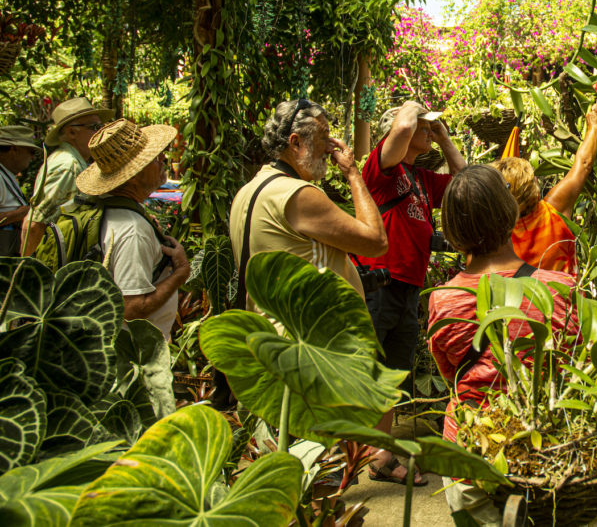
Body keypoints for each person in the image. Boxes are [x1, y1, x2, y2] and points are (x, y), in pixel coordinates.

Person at [428, 165, 577, 524]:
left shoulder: (443, 299)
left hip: (469, 452)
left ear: (451, 232)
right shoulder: (560, 288)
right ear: (512, 212)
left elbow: (451, 375)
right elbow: (571, 367)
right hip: (544, 451)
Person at [355, 100, 466, 484]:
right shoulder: (380, 169)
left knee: (391, 375)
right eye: (423, 126)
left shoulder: (419, 179)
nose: (426, 131)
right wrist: (413, 107)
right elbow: (400, 131)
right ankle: (341, 458)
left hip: (406, 288)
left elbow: (465, 182)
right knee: (365, 374)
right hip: (380, 283)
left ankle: (380, 456)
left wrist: (444, 138)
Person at [229, 99, 387, 308]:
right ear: (296, 143)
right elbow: (376, 241)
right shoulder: (298, 194)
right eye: (324, 137)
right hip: (303, 335)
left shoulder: (247, 190)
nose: (332, 147)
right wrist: (352, 173)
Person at [75, 119, 190, 340]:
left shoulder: (107, 209)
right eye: (156, 158)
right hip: (131, 360)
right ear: (135, 175)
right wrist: (181, 273)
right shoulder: (132, 230)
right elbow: (132, 308)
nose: (163, 161)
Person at [494, 101, 597, 274]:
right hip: (565, 300)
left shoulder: (496, 236)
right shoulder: (552, 212)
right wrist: (593, 126)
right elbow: (584, 163)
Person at [21, 97, 113, 255]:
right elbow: (35, 224)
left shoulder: (74, 161)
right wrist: (26, 270)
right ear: (71, 132)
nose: (100, 132)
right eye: (95, 127)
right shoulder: (68, 167)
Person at [0, 125, 40, 256]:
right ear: (14, 149)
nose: (33, 158)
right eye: (31, 152)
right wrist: (19, 214)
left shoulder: (6, 174)